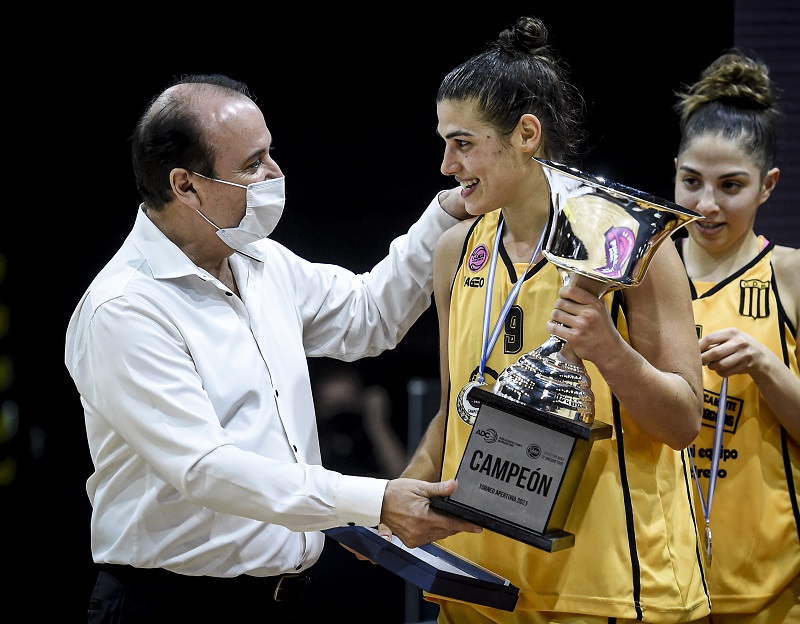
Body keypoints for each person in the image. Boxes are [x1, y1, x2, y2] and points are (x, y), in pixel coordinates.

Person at [64, 73, 483, 623]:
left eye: (271, 154)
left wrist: (449, 211)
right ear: (185, 185)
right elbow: (207, 468)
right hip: (171, 607)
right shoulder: (124, 307)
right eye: (252, 164)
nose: (275, 174)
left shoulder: (258, 259)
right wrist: (372, 500)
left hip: (283, 599)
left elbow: (368, 317)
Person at [398, 16, 712, 622]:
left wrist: (610, 351)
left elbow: (683, 422)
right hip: (480, 583)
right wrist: (399, 497)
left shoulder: (627, 243)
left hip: (609, 589)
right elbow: (454, 405)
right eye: (444, 143)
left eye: (462, 143)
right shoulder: (455, 251)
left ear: (526, 134)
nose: (445, 165)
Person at [672, 49, 800, 622]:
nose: (706, 205)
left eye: (731, 186)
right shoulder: (640, 275)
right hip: (659, 580)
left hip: (769, 586)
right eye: (691, 181)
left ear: (768, 186)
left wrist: (767, 366)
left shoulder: (791, 276)